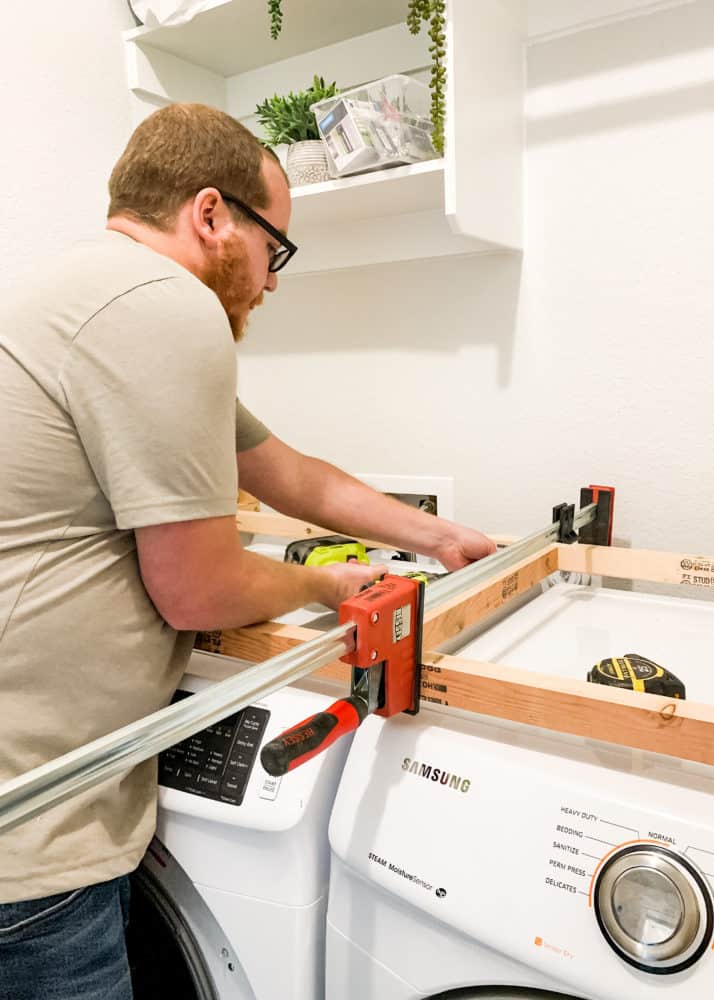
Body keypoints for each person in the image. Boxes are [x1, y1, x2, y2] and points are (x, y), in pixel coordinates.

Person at [0, 103, 496, 999]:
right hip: (31, 827)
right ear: (209, 214)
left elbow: (286, 473)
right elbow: (198, 588)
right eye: (276, 250)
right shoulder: (165, 306)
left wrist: (438, 536)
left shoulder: (82, 292)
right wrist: (331, 580)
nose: (270, 283)